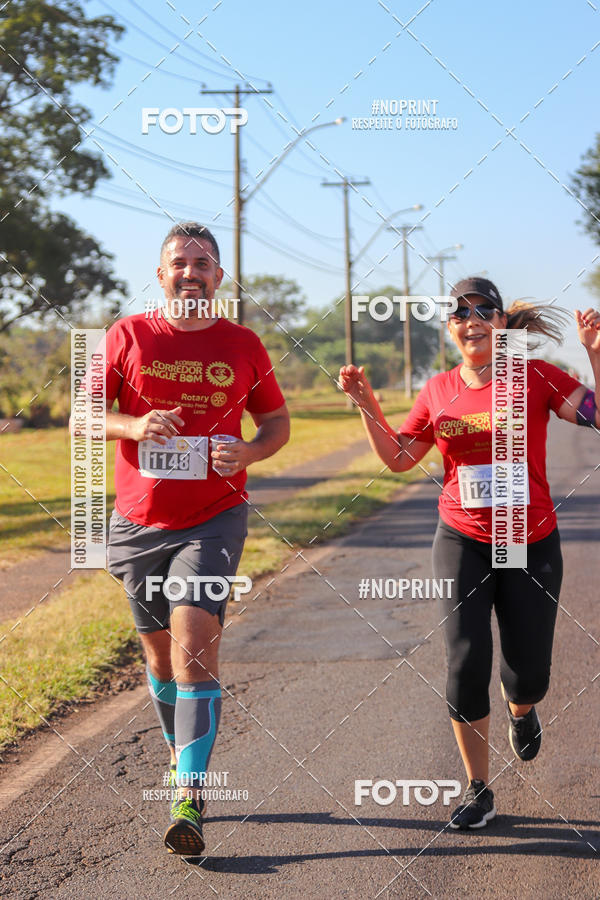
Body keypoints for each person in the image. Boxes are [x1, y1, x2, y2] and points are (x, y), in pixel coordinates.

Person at [339, 276, 600, 830]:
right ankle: (478, 786)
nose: (472, 317)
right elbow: (401, 460)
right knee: (464, 659)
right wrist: (367, 406)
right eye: (460, 311)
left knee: (527, 673)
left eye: (484, 309)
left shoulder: (533, 375)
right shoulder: (436, 391)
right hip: (462, 538)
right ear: (450, 327)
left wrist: (596, 358)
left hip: (528, 539)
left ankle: (522, 711)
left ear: (502, 323)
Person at [94, 222, 289, 854]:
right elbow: (83, 415)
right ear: (161, 275)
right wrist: (134, 424)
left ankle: (189, 795)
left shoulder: (243, 343)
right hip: (137, 524)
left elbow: (277, 421)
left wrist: (251, 450)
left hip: (214, 517)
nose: (191, 272)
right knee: (157, 659)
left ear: (219, 277)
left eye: (203, 262)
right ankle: (184, 758)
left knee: (193, 648)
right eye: (180, 262)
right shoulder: (128, 335)